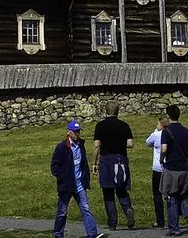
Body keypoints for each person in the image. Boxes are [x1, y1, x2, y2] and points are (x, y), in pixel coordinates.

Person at [51, 119, 106, 238]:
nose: (77, 134)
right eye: (75, 132)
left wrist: (86, 177)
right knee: (62, 212)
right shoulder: (61, 147)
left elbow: (83, 163)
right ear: (68, 133)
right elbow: (54, 167)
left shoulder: (81, 145)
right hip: (66, 185)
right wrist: (63, 177)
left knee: (86, 208)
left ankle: (92, 234)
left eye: (78, 132)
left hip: (80, 183)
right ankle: (58, 234)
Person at [92, 101, 135, 231]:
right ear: (118, 111)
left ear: (106, 111)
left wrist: (94, 163)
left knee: (108, 191)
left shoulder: (100, 126)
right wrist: (120, 143)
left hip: (106, 160)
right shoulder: (124, 126)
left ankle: (112, 222)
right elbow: (130, 144)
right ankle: (127, 208)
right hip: (121, 159)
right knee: (121, 189)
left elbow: (96, 145)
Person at [159, 105, 188, 237]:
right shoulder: (186, 131)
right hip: (184, 169)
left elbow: (164, 149)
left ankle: (174, 228)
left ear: (168, 116)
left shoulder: (166, 131)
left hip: (172, 169)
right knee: (185, 196)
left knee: (172, 199)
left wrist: (162, 159)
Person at [144, 114, 169, 228]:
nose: (156, 125)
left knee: (157, 194)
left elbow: (148, 142)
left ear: (161, 125)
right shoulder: (169, 135)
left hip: (157, 169)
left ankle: (160, 220)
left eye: (158, 124)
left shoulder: (156, 135)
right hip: (168, 168)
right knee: (169, 194)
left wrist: (155, 131)